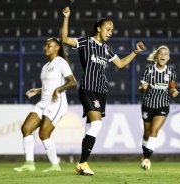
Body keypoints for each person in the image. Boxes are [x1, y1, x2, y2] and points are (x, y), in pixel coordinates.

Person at [61, 6, 145, 176]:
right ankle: (83, 162)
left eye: (112, 30)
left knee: (91, 125)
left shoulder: (106, 48)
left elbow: (120, 64)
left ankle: (81, 165)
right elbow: (64, 39)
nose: (110, 32)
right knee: (97, 124)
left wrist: (135, 52)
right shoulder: (86, 42)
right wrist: (66, 18)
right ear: (99, 28)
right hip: (88, 88)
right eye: (108, 29)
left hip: (101, 91)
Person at [13, 38, 77, 172]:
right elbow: (49, 87)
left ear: (57, 48)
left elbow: (72, 82)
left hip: (57, 102)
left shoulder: (61, 62)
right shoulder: (46, 66)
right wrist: (37, 90)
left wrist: (58, 90)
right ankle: (29, 164)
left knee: (43, 133)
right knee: (26, 129)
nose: (45, 47)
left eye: (49, 45)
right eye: (45, 45)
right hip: (43, 102)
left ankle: (55, 166)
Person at [138, 45, 179, 170]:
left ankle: (147, 159)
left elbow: (171, 87)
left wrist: (173, 91)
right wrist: (143, 88)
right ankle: (146, 154)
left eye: (166, 54)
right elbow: (141, 89)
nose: (163, 56)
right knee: (147, 133)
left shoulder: (171, 73)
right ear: (156, 56)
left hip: (163, 105)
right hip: (148, 105)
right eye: (161, 53)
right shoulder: (148, 71)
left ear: (168, 57)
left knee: (154, 131)